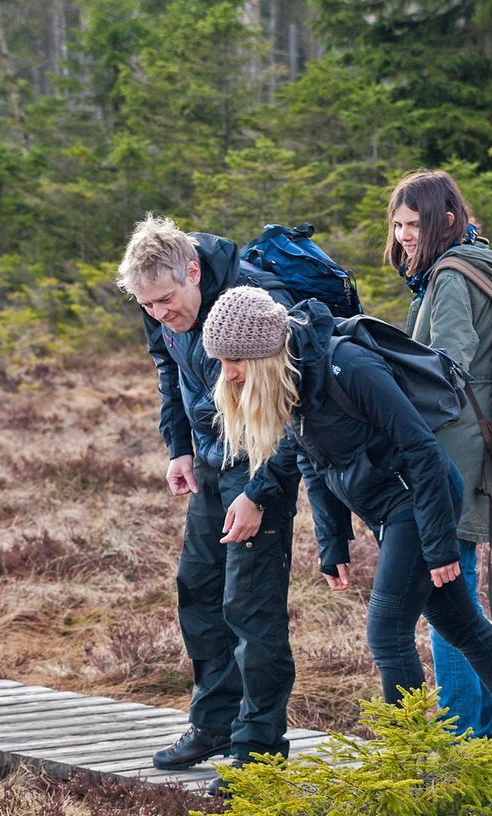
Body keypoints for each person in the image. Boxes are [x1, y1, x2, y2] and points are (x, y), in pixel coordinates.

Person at [201, 285, 492, 762]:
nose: (229, 373)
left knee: (387, 634)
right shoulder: (294, 378)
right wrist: (333, 543)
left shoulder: (348, 366)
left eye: (234, 360)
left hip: (418, 503)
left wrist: (439, 545)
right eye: (221, 361)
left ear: (262, 350)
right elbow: (313, 459)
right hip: (389, 511)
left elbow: (423, 451)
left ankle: (408, 766)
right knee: (465, 628)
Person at [116, 214, 300, 795]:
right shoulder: (160, 307)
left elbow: (294, 409)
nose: (159, 314)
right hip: (211, 463)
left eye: (166, 301)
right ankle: (214, 725)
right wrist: (179, 448)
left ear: (193, 273)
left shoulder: (256, 304)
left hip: (261, 463)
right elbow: (169, 372)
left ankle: (259, 752)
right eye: (147, 305)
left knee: (252, 608)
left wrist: (259, 493)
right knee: (198, 590)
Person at [385, 169, 492, 745]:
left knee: (449, 605)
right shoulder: (462, 267)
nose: (405, 234)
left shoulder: (452, 276)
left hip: (451, 454)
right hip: (462, 449)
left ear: (448, 221)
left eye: (415, 223)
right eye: (399, 224)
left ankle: (465, 738)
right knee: (460, 603)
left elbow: (448, 365)